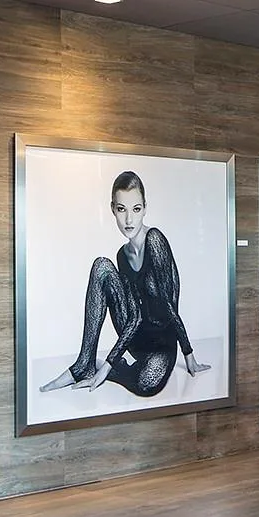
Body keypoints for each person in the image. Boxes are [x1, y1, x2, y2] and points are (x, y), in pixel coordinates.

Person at [41, 170, 211, 397]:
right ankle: (84, 364)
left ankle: (109, 371)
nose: (129, 220)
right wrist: (110, 361)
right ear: (113, 209)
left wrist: (188, 354)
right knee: (102, 267)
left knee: (146, 385)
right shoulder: (122, 255)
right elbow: (134, 317)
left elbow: (169, 307)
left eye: (136, 209)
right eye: (122, 209)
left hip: (162, 346)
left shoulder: (155, 240)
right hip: (136, 337)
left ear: (145, 208)